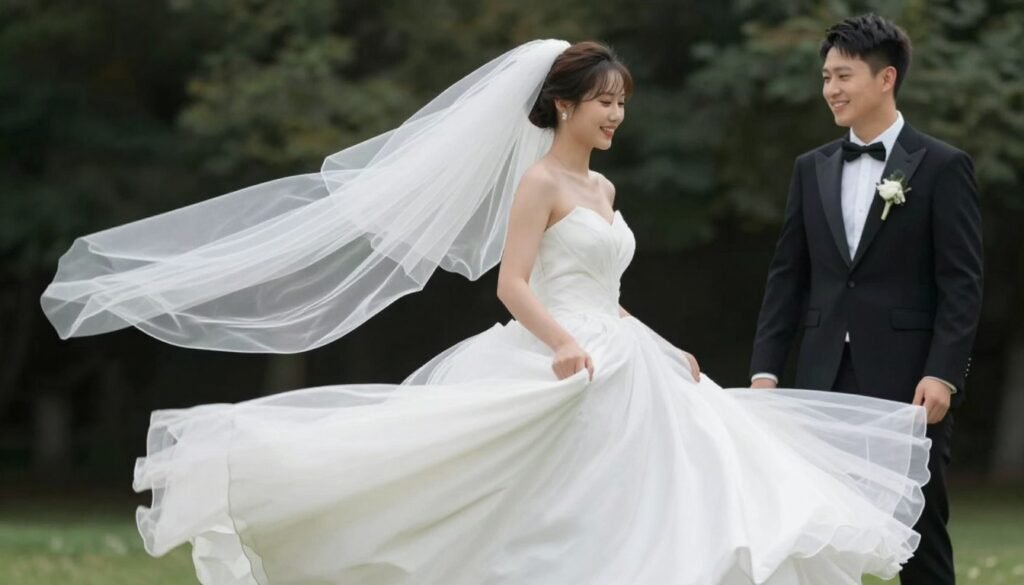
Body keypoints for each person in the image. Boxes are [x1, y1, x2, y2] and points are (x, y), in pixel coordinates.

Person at [45, 40, 932, 585]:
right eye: (604, 101)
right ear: (563, 105)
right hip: (561, 349)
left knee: (681, 483)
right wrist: (563, 345)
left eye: (621, 102)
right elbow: (513, 284)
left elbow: (610, 291)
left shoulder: (605, 189)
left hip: (621, 347)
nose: (617, 114)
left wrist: (669, 348)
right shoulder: (540, 183)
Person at [750, 14, 984, 585]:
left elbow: (962, 283)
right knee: (815, 533)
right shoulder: (811, 169)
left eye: (843, 75)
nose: (831, 88)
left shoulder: (943, 166)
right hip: (821, 378)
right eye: (826, 77)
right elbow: (788, 277)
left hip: (910, 382)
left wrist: (943, 374)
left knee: (919, 531)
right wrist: (765, 371)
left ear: (886, 78)